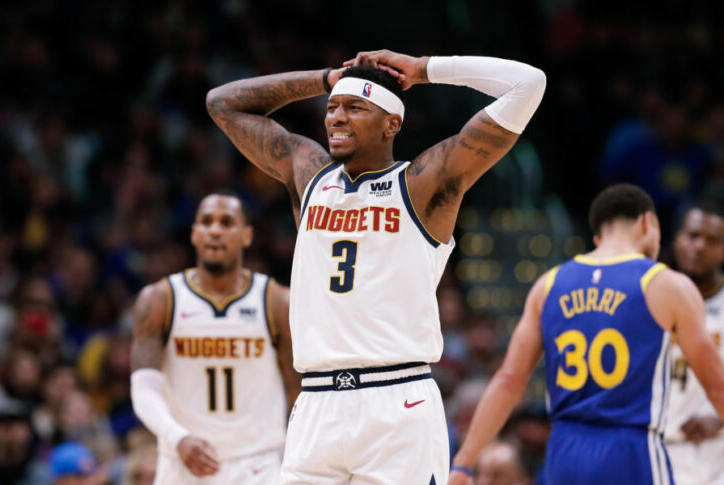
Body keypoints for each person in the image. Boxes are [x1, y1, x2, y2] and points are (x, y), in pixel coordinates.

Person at [207, 49, 545, 484]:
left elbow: (528, 83)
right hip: (317, 402)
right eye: (332, 109)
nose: (337, 118)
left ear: (392, 123)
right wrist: (329, 77)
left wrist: (423, 70)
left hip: (397, 401)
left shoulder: (424, 183)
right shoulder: (309, 174)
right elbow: (222, 102)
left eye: (355, 107)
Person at [448, 184, 724, 485]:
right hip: (630, 449)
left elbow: (508, 381)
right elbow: (717, 388)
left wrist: (463, 462)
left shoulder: (548, 284)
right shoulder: (665, 284)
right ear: (647, 224)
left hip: (564, 451)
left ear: (597, 237)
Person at [129, 192, 300, 484]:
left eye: (227, 222)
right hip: (182, 459)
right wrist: (178, 437)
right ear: (195, 234)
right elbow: (144, 388)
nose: (215, 231)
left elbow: (296, 391)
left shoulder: (276, 303)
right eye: (206, 222)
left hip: (258, 463)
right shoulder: (159, 300)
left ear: (247, 236)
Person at [664, 201, 724, 484]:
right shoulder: (649, 299)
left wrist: (721, 418)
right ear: (677, 240)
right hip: (658, 448)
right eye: (692, 236)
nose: (700, 246)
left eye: (712, 240)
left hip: (717, 452)